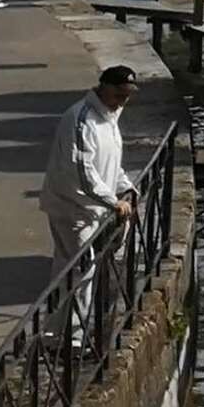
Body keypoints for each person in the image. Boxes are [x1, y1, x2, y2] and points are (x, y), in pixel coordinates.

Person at [43, 63, 139, 308]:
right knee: (80, 271)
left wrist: (126, 187)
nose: (122, 101)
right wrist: (113, 201)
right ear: (103, 87)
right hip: (73, 208)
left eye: (127, 96)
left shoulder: (109, 117)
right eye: (118, 94)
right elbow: (82, 173)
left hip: (94, 207)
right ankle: (72, 330)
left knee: (72, 270)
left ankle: (63, 326)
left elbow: (109, 164)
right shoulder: (82, 120)